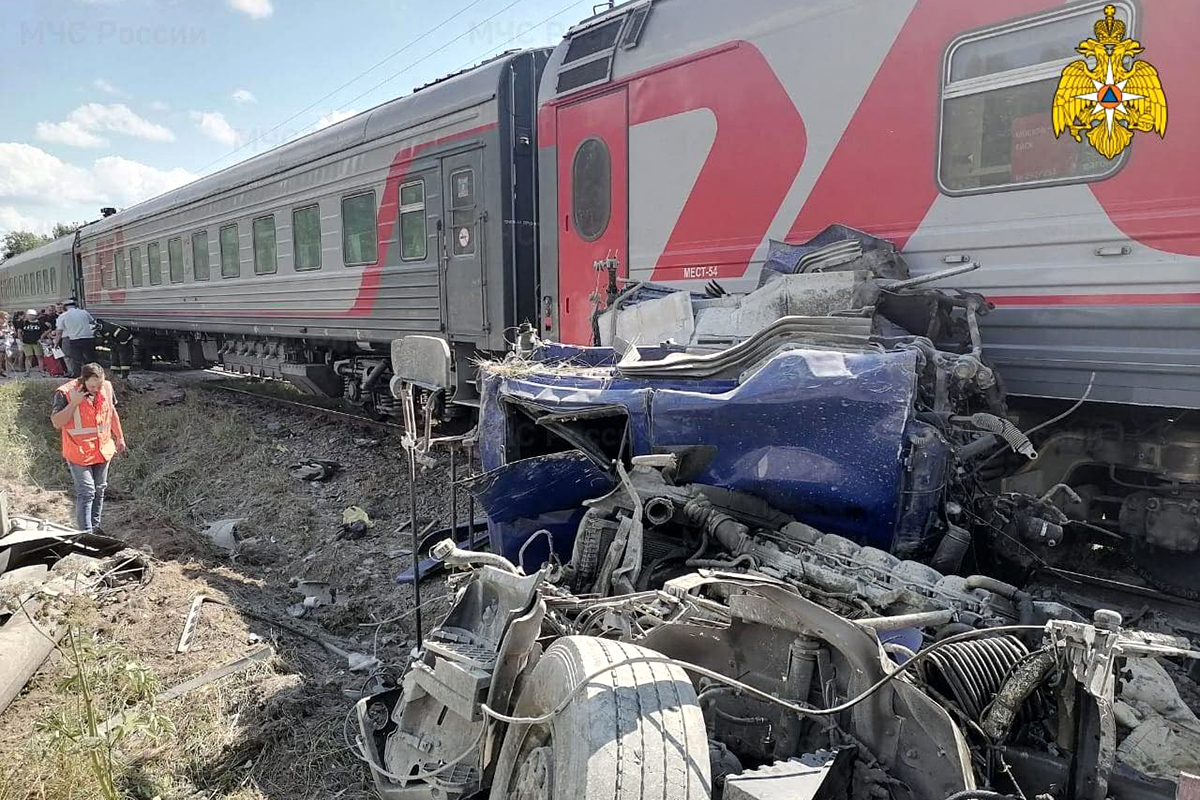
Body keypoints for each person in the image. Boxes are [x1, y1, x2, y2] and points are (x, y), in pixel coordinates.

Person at [50, 363, 126, 533]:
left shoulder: (106, 387)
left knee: (99, 490)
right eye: (93, 386)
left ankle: (95, 528)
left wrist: (119, 436)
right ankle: (85, 533)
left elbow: (111, 412)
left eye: (100, 384)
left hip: (102, 448)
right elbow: (57, 423)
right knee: (87, 492)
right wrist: (74, 404)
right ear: (83, 381)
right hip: (78, 452)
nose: (97, 389)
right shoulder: (65, 393)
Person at [55, 299, 96, 378]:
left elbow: (59, 331)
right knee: (90, 358)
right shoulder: (84, 312)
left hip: (75, 339)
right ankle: (94, 374)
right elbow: (92, 322)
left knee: (76, 360)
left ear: (64, 307)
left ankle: (77, 376)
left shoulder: (63, 316)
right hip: (88, 338)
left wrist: (56, 343)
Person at [18, 308, 48, 374]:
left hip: (37, 342)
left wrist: (42, 337)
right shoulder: (23, 323)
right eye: (30, 315)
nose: (32, 316)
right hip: (26, 342)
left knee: (39, 356)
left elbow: (48, 329)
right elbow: (19, 331)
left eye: (33, 315)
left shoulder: (39, 323)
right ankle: (27, 371)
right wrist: (21, 339)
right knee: (28, 356)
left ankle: (41, 370)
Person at [0, 311, 13, 377]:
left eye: (6, 318)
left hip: (8, 342)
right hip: (1, 342)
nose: (5, 319)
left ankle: (8, 374)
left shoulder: (9, 324)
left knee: (8, 358)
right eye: (4, 317)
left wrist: (9, 331)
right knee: (1, 358)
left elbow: (13, 332)